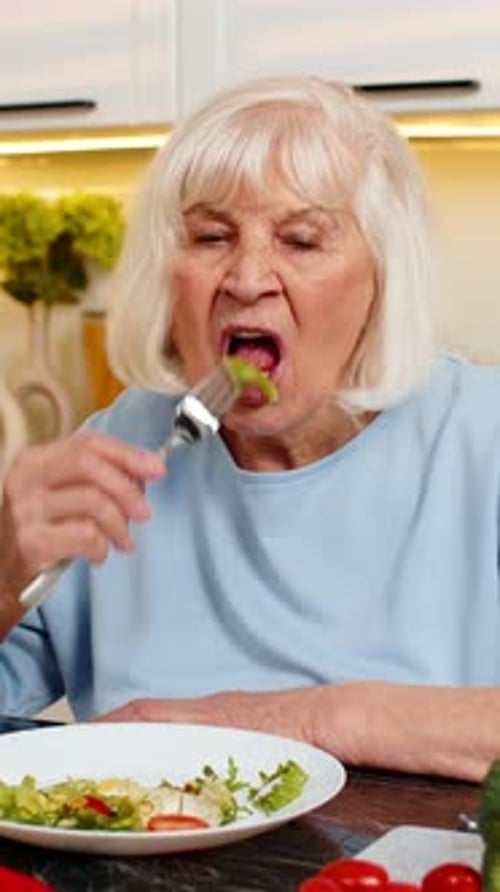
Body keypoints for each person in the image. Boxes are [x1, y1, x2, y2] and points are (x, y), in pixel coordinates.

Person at [0, 75, 499, 783]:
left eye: (301, 239)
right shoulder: (118, 448)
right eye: (211, 236)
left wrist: (304, 720)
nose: (248, 277)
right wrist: (2, 567)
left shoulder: (482, 438)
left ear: (383, 281)